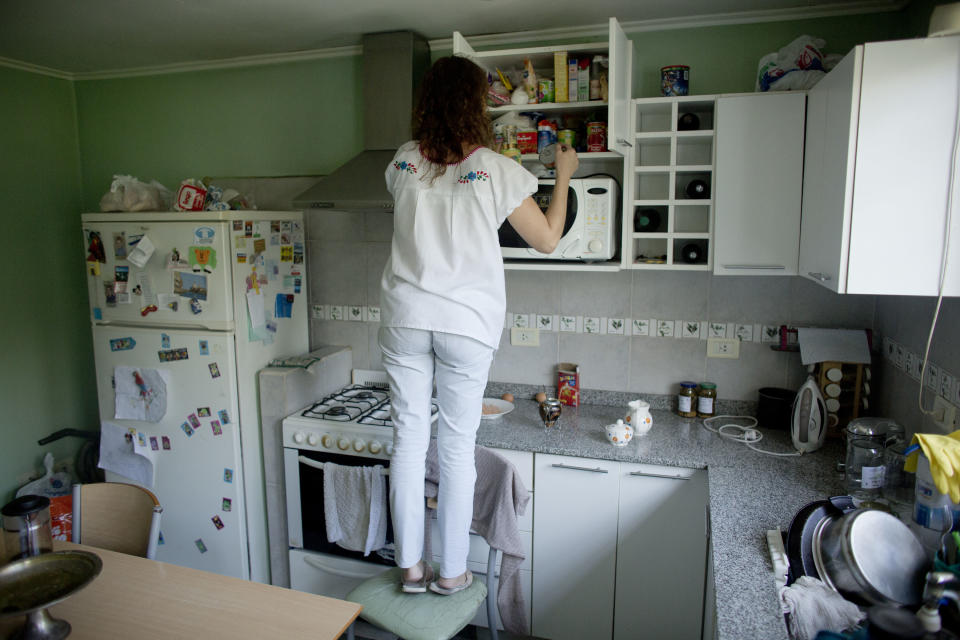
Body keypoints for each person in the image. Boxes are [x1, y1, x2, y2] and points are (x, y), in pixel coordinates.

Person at [379, 55, 578, 595]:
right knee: (456, 447)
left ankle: (411, 569)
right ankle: (451, 572)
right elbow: (548, 238)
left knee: (408, 441)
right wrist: (561, 177)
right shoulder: (495, 169)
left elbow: (421, 193)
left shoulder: (401, 163)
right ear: (478, 105)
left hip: (404, 319)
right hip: (464, 323)